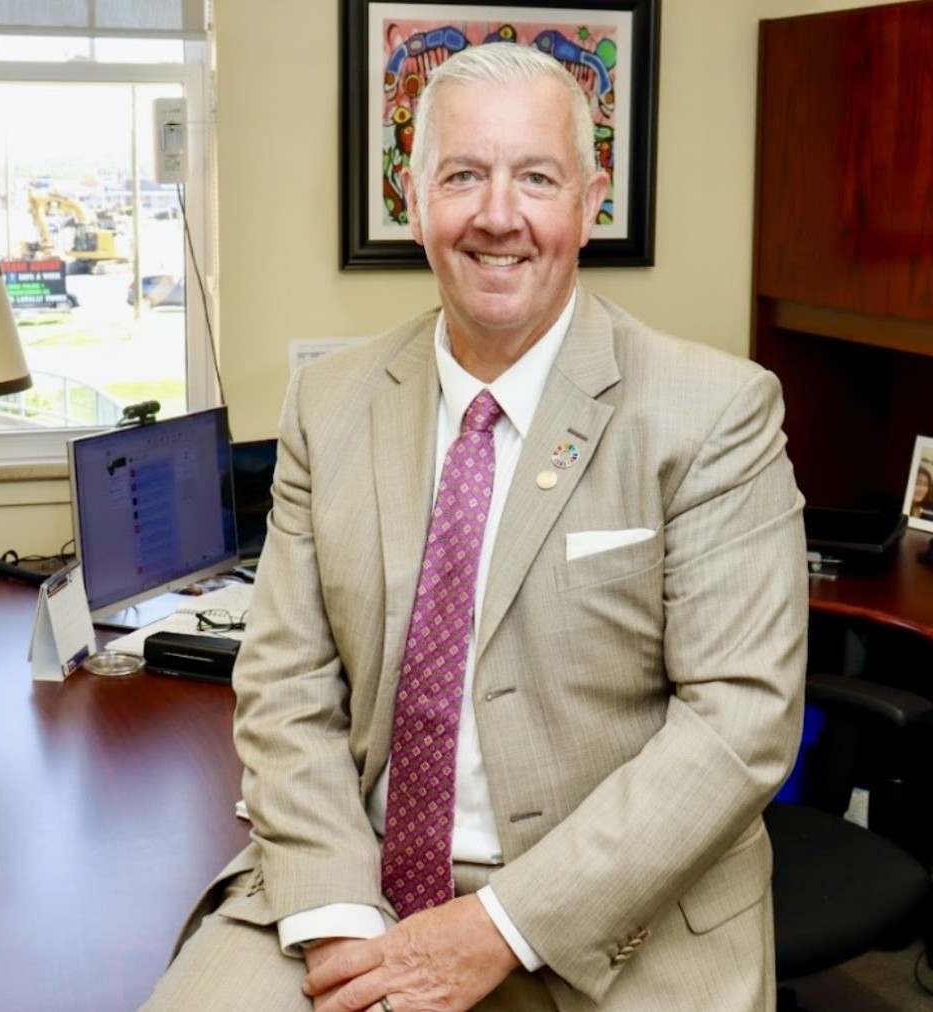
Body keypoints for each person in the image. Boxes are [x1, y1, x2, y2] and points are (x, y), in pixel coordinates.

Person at [144, 41, 807, 1012]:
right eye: (462, 176)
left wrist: (496, 924)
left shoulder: (712, 411)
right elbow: (283, 687)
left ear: (590, 200)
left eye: (535, 177)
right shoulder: (328, 403)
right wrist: (342, 921)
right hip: (357, 878)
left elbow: (736, 723)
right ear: (414, 203)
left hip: (615, 919)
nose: (498, 216)